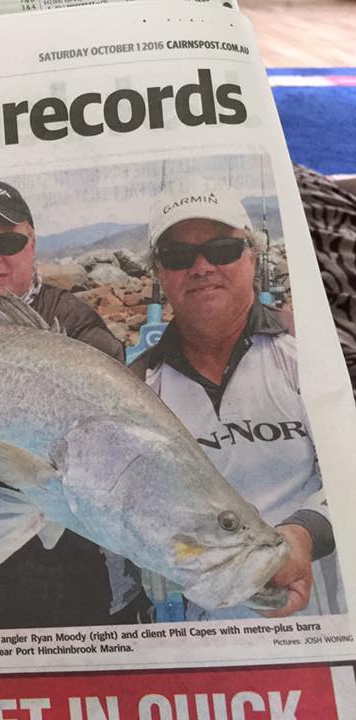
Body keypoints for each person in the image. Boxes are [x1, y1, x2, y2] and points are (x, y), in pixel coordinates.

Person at [0, 178, 152, 630]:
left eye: (7, 241)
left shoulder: (77, 326)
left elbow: (110, 456)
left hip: (97, 597)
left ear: (32, 243)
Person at [132, 183, 340, 620]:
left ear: (253, 256)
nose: (202, 267)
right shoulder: (138, 384)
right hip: (195, 642)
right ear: (159, 273)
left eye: (223, 249)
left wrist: (300, 537)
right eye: (177, 256)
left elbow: (349, 475)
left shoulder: (313, 353)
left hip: (319, 627)